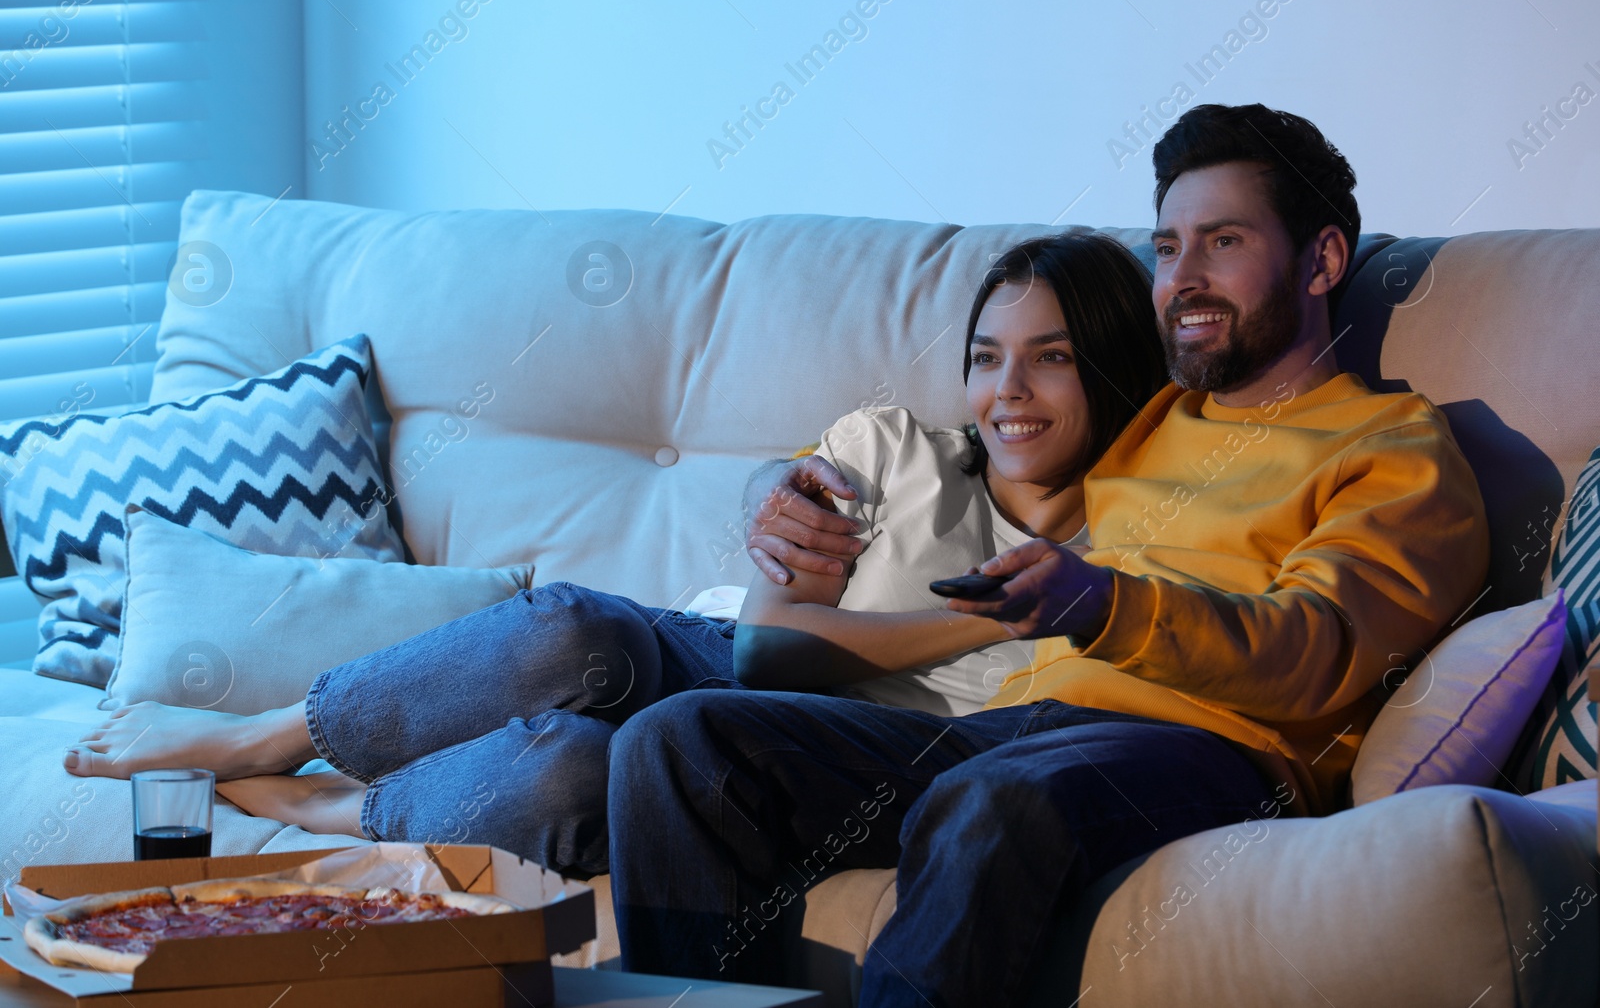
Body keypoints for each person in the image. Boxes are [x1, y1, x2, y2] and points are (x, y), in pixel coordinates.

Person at [606, 103, 1490, 1007]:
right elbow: (986, 433)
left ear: (1324, 259)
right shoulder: (1152, 417)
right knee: (681, 740)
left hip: (1212, 753)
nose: (1183, 277)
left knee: (994, 799)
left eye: (1222, 242)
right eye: (1169, 247)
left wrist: (1108, 606)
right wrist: (776, 489)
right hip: (1021, 723)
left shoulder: (1395, 450)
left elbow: (1319, 648)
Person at [61, 231, 1170, 881]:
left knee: (574, 773)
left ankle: (316, 809)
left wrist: (1044, 603)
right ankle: (267, 731)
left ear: (1114, 368)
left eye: (1053, 359)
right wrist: (997, 610)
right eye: (986, 356)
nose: (1007, 391)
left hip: (835, 754)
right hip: (727, 662)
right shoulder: (890, 450)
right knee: (571, 627)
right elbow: (775, 645)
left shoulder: (1142, 550)